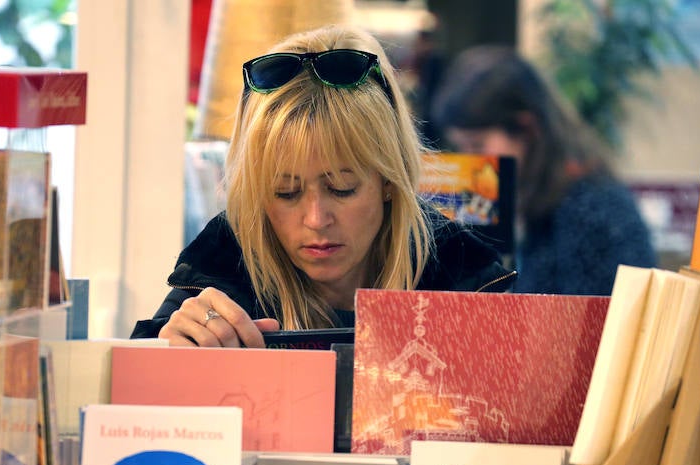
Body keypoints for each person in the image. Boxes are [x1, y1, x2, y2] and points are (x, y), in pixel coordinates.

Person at [131, 25, 515, 347]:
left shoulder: (464, 278)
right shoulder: (222, 265)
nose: (316, 219)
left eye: (342, 188)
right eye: (285, 192)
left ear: (388, 179)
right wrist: (170, 356)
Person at [431, 45, 658, 296]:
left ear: (526, 129)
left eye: (477, 145)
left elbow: (591, 322)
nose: (470, 161)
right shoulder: (529, 202)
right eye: (460, 147)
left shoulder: (593, 210)